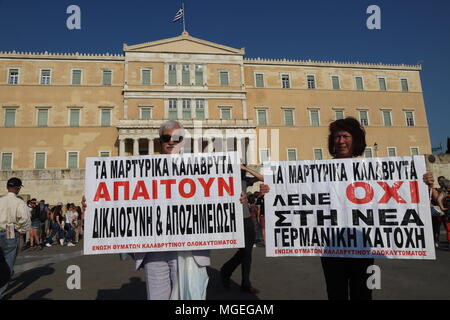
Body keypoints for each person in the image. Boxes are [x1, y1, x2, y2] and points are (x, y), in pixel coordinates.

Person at [320, 117, 374, 300]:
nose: (341, 141)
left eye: (345, 136)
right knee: (335, 294)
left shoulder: (371, 169)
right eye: (336, 137)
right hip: (332, 248)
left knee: (364, 293)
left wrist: (423, 183)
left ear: (356, 139)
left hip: (364, 246)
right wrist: (269, 190)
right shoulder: (318, 171)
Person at [220, 164, 266, 294]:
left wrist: (246, 169)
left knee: (247, 252)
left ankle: (242, 280)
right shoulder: (225, 178)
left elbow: (263, 178)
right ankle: (228, 270)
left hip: (246, 219)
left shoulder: (245, 181)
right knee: (244, 251)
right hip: (233, 219)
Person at [0, 178, 31, 298]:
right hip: (10, 231)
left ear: (7, 187)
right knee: (7, 266)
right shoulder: (19, 203)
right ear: (18, 188)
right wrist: (21, 230)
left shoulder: (0, 200)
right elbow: (25, 220)